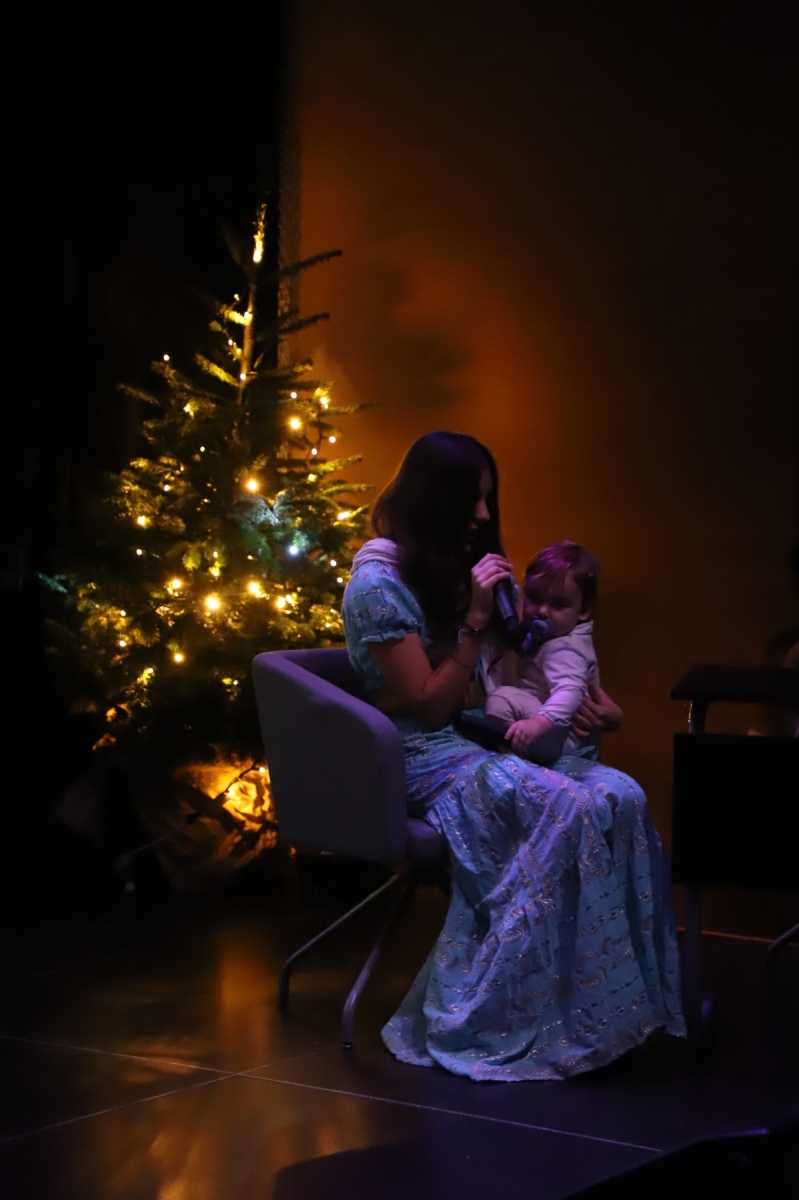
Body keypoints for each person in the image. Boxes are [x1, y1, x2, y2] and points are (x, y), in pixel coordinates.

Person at [342, 431, 684, 1081]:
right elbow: (430, 709)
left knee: (620, 795)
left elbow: (509, 673)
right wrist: (473, 624)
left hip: (473, 734)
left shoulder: (442, 569)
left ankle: (602, 1012)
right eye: (470, 500)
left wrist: (593, 707)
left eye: (487, 499)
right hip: (421, 755)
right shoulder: (377, 586)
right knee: (566, 808)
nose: (482, 515)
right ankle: (503, 1017)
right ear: (433, 500)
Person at [485, 541, 602, 764]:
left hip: (559, 737)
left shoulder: (566, 647)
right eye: (534, 598)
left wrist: (537, 724)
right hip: (552, 730)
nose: (542, 611)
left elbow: (570, 691)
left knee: (500, 699)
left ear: (584, 610)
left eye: (558, 604)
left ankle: (516, 753)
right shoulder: (552, 635)